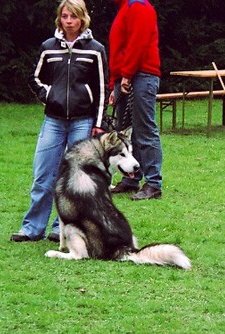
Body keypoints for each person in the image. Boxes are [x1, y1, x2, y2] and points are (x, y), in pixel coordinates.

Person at [11, 0, 108, 242]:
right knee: (43, 174)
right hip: (53, 121)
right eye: (65, 16)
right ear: (59, 18)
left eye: (73, 17)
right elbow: (34, 77)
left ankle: (62, 229)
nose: (69, 21)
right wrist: (49, 96)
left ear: (82, 18)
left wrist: (98, 122)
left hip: (83, 121)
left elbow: (103, 89)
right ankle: (32, 228)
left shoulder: (95, 49)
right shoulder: (48, 47)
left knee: (74, 177)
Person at [109, 0, 163, 200]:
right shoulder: (124, 7)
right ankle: (132, 179)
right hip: (127, 75)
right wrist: (113, 84)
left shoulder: (138, 5)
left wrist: (127, 75)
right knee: (127, 132)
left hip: (141, 75)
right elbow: (118, 50)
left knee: (144, 130)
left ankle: (154, 183)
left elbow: (137, 42)